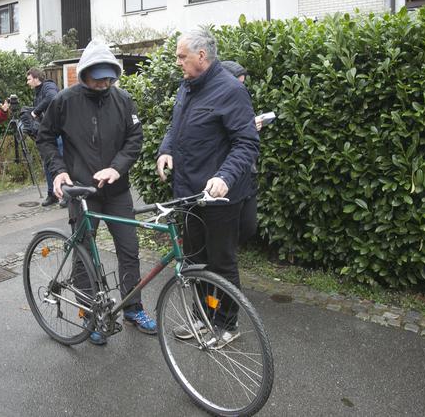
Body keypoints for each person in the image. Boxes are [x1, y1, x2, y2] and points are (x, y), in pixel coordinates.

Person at [37, 39, 154, 344]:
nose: (105, 83)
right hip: (81, 190)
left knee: (129, 249)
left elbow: (134, 139)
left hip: (117, 189)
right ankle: (90, 315)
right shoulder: (64, 100)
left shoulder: (123, 100)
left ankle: (133, 307)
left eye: (110, 78)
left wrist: (117, 167)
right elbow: (46, 137)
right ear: (85, 73)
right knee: (84, 254)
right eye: (99, 77)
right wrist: (59, 170)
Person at [156, 29, 259, 345]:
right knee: (194, 260)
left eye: (181, 56)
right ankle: (204, 316)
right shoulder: (187, 87)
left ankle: (226, 324)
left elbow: (247, 142)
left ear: (201, 56)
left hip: (219, 198)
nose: (177, 62)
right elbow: (177, 125)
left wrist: (225, 176)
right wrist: (166, 149)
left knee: (221, 263)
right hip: (187, 194)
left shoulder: (230, 91)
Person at [220, 60, 264, 244]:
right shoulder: (215, 102)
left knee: (248, 226)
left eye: (242, 84)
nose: (240, 88)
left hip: (245, 175)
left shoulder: (239, 99)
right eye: (238, 83)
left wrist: (250, 128)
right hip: (225, 175)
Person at [25, 67, 61, 206]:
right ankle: (52, 194)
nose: (27, 82)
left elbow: (52, 98)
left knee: (58, 163)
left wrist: (35, 112)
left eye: (29, 79)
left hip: (58, 132)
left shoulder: (48, 86)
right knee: (47, 163)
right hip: (47, 133)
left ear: (35, 78)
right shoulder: (38, 92)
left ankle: (65, 195)